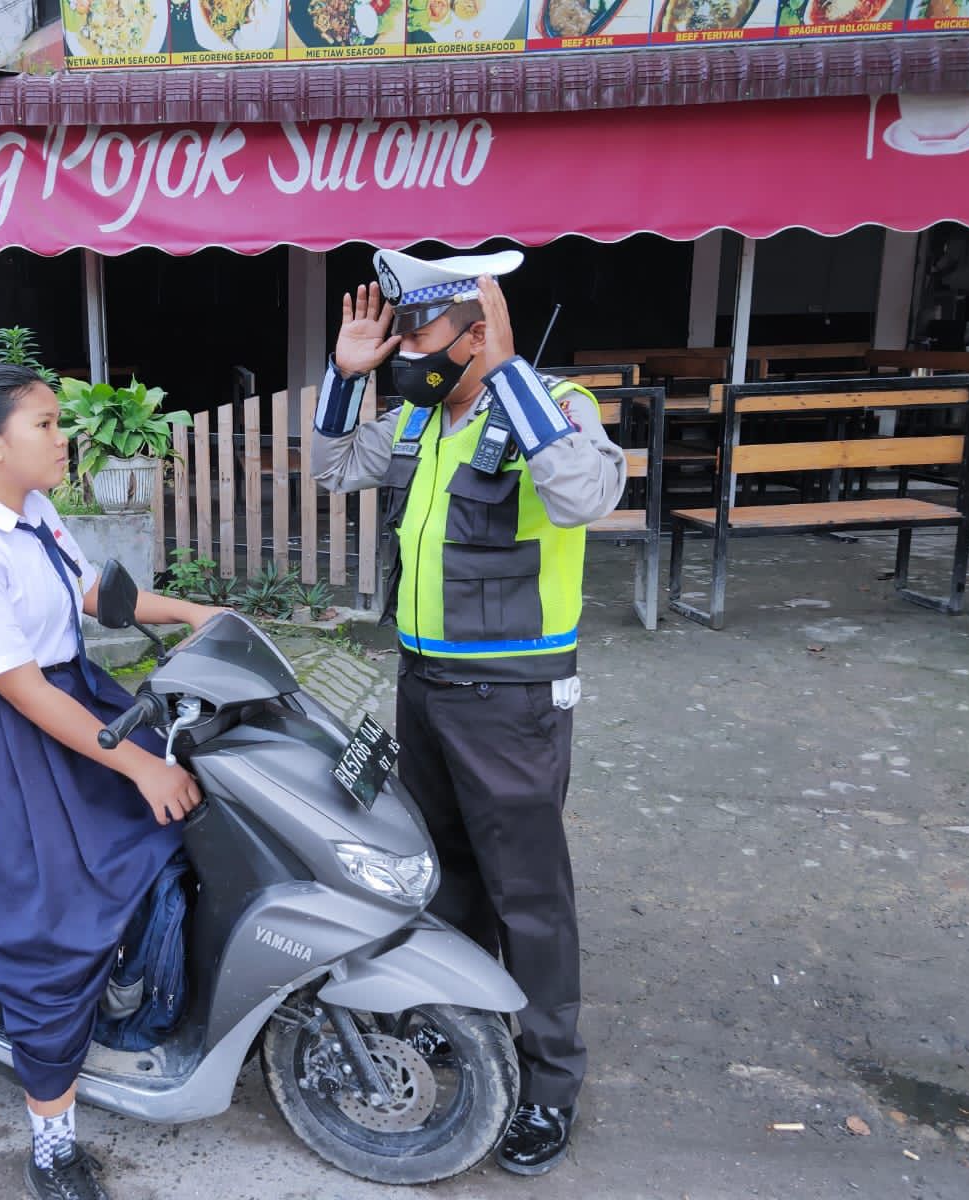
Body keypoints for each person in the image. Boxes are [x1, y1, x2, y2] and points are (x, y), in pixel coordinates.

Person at [310, 249, 626, 1176]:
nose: (407, 351)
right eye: (400, 334)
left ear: (477, 331)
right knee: (444, 879)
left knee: (527, 896)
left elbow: (582, 497)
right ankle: (460, 1022)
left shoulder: (555, 404)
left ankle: (548, 1083)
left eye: (421, 334)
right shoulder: (415, 415)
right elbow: (332, 468)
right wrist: (345, 372)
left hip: (511, 698)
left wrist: (511, 371)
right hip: (423, 685)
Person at [0, 363, 221, 1200]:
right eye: (44, 423)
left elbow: (91, 593)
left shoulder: (30, 511)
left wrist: (195, 614)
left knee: (179, 823)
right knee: (49, 938)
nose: (61, 436)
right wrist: (138, 762)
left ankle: (131, 985)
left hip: (69, 711)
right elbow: (19, 689)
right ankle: (52, 1142)